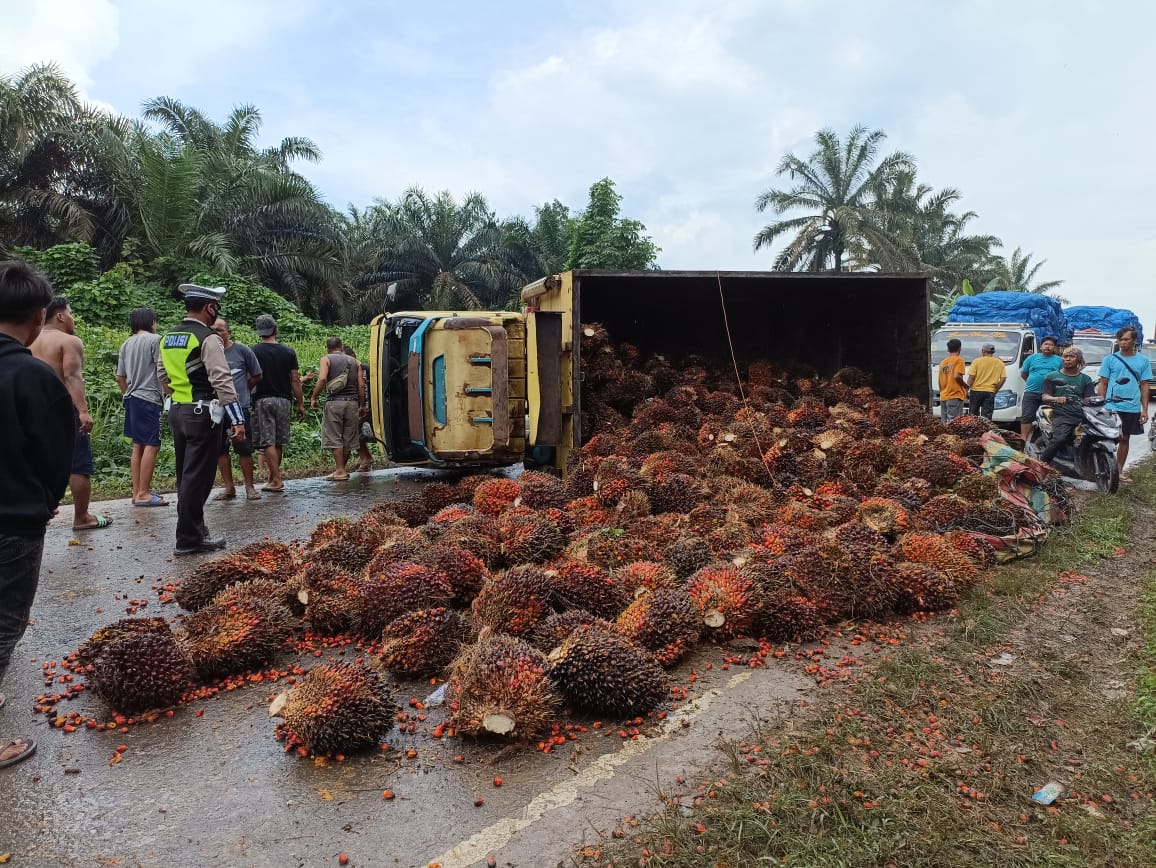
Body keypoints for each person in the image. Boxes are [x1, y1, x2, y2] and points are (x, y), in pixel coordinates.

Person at [0, 261, 75, 769]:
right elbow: (55, 453)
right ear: (38, 315)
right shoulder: (32, 375)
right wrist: (46, 503)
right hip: (13, 522)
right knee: (4, 623)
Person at [157, 285, 246, 556]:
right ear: (209, 307)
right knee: (198, 478)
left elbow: (162, 375)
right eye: (215, 308)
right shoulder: (207, 338)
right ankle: (188, 539)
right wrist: (237, 419)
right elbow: (222, 379)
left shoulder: (169, 336)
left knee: (186, 474)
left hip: (178, 412)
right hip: (202, 413)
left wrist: (179, 399)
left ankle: (195, 529)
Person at [30, 297, 112, 530]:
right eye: (71, 312)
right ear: (60, 316)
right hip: (63, 409)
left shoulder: (28, 339)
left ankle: (39, 513)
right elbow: (72, 377)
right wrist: (83, 411)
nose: (72, 318)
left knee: (36, 462)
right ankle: (82, 517)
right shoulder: (69, 341)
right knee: (78, 464)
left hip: (33, 409)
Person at [115, 307, 168, 506]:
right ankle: (144, 494)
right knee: (152, 444)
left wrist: (128, 393)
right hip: (149, 398)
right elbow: (160, 369)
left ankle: (137, 491)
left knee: (138, 444)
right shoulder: (156, 340)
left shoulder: (126, 343)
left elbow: (120, 377)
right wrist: (168, 393)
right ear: (151, 322)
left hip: (132, 397)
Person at [250, 314, 305, 492]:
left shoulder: (253, 351)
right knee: (278, 441)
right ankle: (273, 477)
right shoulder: (288, 352)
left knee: (267, 442)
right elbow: (295, 380)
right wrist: (300, 403)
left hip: (262, 400)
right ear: (275, 329)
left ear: (259, 332)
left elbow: (249, 377)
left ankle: (277, 480)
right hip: (284, 400)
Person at [211, 317, 263, 501]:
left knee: (244, 448)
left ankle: (249, 487)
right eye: (213, 330)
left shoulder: (242, 351)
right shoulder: (208, 352)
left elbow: (257, 374)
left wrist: (243, 390)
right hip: (216, 410)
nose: (217, 333)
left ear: (228, 332)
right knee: (220, 449)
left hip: (240, 408)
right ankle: (229, 487)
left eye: (220, 330)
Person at [1096, 325, 1152, 479]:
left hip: (1132, 407)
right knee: (1108, 438)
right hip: (1111, 406)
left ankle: (1119, 471)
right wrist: (1102, 404)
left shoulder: (1143, 361)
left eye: (1126, 339)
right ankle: (1105, 468)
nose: (1122, 342)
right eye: (1120, 339)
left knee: (1125, 438)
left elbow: (1144, 385)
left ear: (1134, 340)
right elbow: (1103, 383)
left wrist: (1145, 409)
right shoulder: (1109, 359)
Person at [310, 337, 365, 480]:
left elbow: (322, 379)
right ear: (341, 347)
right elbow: (361, 385)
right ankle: (340, 470)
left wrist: (314, 397)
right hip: (352, 403)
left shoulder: (326, 359)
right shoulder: (356, 362)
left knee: (335, 437)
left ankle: (340, 471)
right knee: (348, 438)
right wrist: (362, 405)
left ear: (328, 348)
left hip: (334, 402)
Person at [1038, 346, 1096, 465]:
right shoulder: (1052, 376)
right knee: (1059, 439)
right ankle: (1040, 466)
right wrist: (1056, 398)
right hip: (1061, 414)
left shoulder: (1086, 379)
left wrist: (1094, 400)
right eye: (1065, 356)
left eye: (1072, 356)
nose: (1068, 359)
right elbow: (1045, 396)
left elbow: (1088, 398)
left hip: (1082, 415)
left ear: (1079, 360)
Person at [1019, 336, 1062, 441]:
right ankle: (1023, 441)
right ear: (1041, 346)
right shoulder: (1031, 358)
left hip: (1051, 395)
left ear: (1054, 348)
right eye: (1045, 344)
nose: (1048, 346)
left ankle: (1047, 440)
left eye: (1051, 345)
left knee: (1049, 417)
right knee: (1027, 416)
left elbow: (1063, 375)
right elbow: (1024, 374)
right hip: (1031, 392)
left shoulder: (1060, 360)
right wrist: (1033, 382)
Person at [344, 345, 375, 472]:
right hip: (360, 406)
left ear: (352, 357)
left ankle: (365, 458)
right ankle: (366, 457)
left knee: (353, 431)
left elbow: (366, 388)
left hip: (368, 406)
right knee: (355, 432)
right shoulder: (350, 371)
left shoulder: (364, 368)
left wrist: (364, 406)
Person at [965, 342, 1007, 419]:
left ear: (983, 351)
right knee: (987, 417)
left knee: (973, 416)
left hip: (975, 391)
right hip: (990, 392)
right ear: (993, 352)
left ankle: (975, 430)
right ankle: (986, 431)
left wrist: (966, 390)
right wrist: (996, 389)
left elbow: (971, 377)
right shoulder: (999, 362)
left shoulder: (976, 361)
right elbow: (1003, 378)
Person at [937, 338, 968, 423]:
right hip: (955, 395)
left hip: (944, 396)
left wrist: (942, 393)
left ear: (948, 349)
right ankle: (953, 437)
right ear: (959, 348)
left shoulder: (942, 362)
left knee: (944, 423)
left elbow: (939, 381)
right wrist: (966, 386)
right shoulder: (959, 360)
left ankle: (944, 437)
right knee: (955, 423)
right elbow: (957, 376)